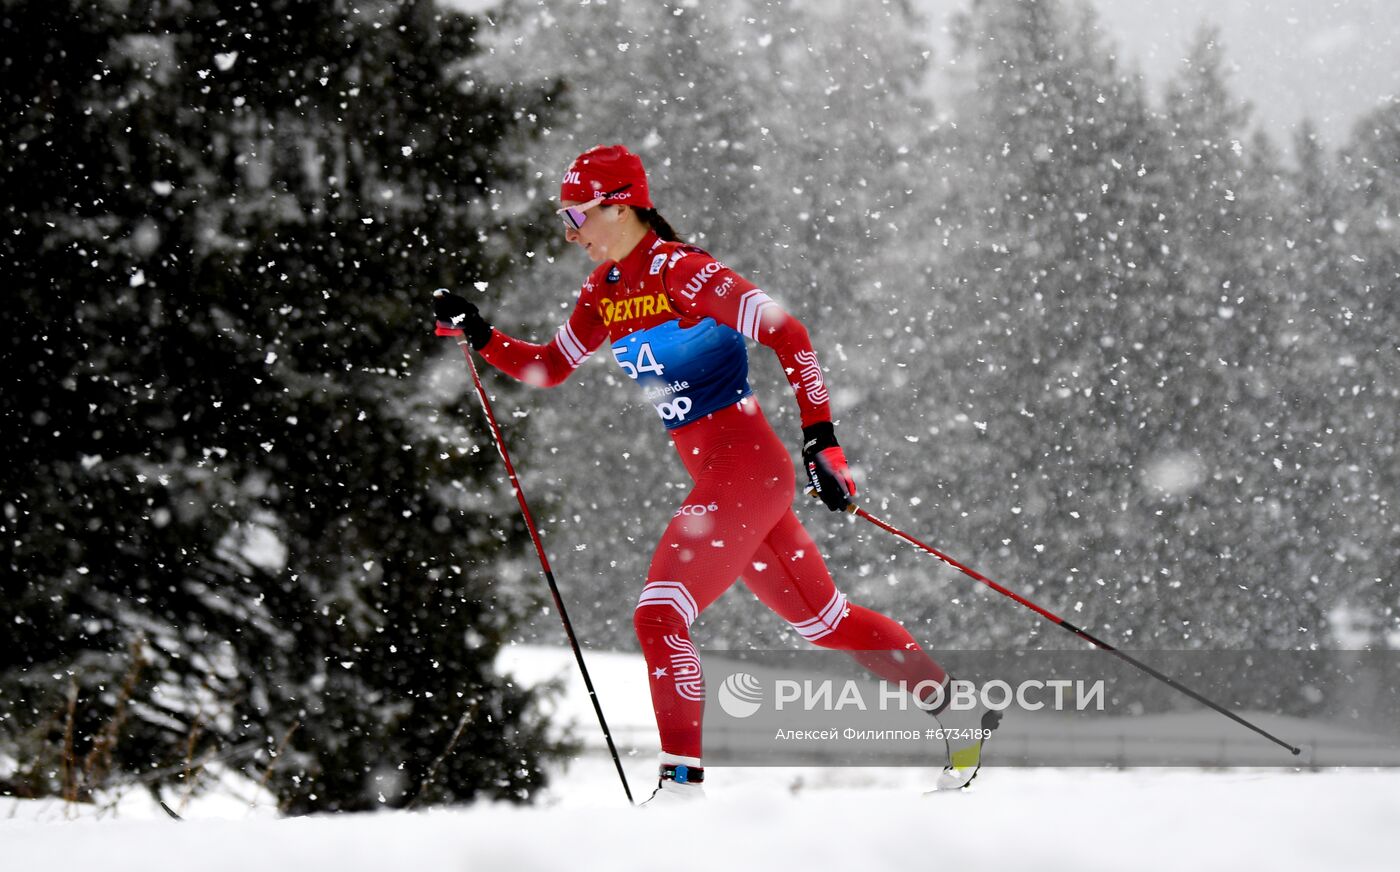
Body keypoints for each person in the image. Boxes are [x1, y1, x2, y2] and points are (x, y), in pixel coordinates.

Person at [433, 145, 998, 803]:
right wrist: (481, 333)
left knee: (658, 617)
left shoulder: (684, 273)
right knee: (829, 622)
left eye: (577, 214)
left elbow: (789, 332)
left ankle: (681, 788)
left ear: (620, 205)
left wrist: (823, 440)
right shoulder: (605, 292)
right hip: (735, 484)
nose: (569, 231)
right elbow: (548, 369)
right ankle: (960, 716)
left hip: (746, 472)